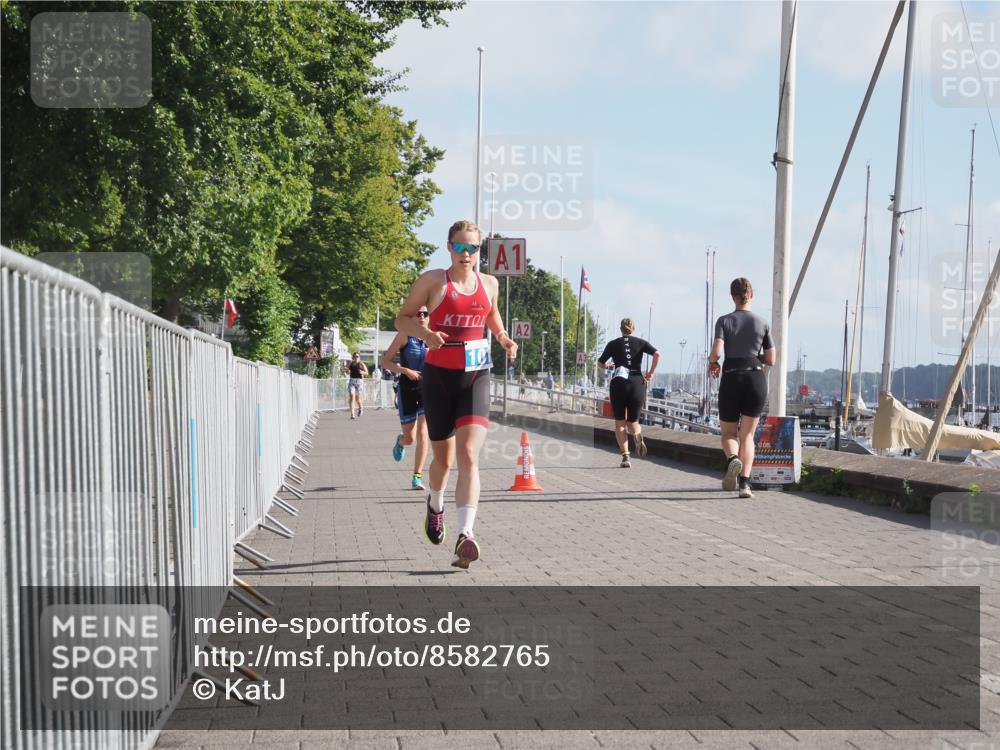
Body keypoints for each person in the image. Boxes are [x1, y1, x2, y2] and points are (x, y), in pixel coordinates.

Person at [394, 220, 517, 570]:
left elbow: (492, 314)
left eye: (472, 248)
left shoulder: (489, 283)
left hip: (476, 376)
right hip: (439, 379)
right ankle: (435, 504)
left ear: (479, 250)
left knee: (468, 455)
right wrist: (425, 334)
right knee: (444, 462)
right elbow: (401, 320)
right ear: (449, 247)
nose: (466, 254)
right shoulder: (433, 281)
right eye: (460, 247)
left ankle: (465, 535)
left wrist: (503, 337)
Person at [708, 277, 777, 499]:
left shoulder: (724, 321)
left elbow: (717, 352)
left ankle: (733, 459)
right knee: (747, 435)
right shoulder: (763, 323)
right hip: (755, 379)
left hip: (732, 377)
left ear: (732, 296)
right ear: (751, 294)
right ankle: (745, 485)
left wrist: (713, 362)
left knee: (729, 433)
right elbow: (771, 359)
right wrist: (755, 356)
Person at [597, 318, 660, 468]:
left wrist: (608, 367)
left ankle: (626, 457)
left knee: (620, 423)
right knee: (633, 422)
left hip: (619, 383)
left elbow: (600, 363)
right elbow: (657, 354)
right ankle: (636, 435)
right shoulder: (641, 342)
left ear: (621, 329)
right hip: (637, 383)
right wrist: (651, 373)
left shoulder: (613, 344)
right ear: (633, 328)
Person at [383, 307, 431, 491]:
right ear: (411, 318)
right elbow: (385, 362)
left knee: (423, 433)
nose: (422, 317)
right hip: (407, 389)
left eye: (425, 314)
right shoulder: (404, 335)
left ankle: (417, 477)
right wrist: (405, 370)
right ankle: (401, 442)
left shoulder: (433, 337)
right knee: (411, 439)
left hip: (426, 390)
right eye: (418, 313)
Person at [344, 352, 368, 419]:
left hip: (359, 382)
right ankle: (352, 414)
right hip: (352, 381)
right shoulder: (351, 363)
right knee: (352, 397)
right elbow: (347, 371)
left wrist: (362, 372)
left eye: (357, 356)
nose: (356, 357)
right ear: (353, 357)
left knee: (357, 399)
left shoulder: (361, 364)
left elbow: (367, 372)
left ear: (359, 357)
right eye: (355, 356)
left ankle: (360, 408)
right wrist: (347, 371)